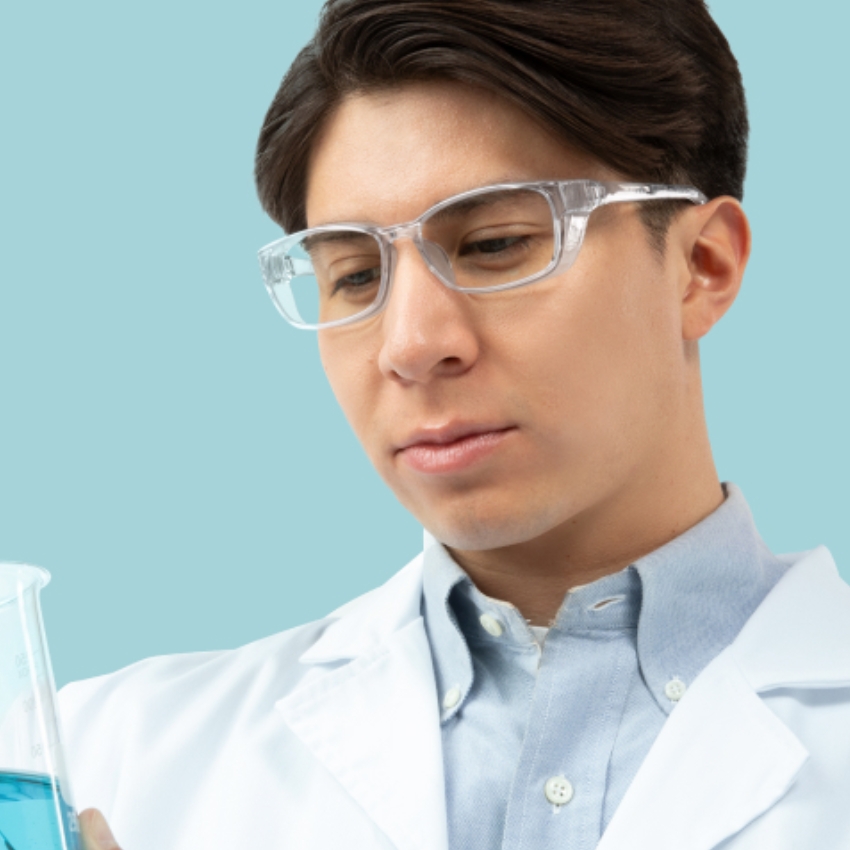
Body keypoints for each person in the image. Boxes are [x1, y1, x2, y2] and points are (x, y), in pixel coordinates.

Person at [64, 1, 850, 848]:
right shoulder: (100, 761)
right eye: (357, 275)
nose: (410, 345)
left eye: (494, 245)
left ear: (702, 266)